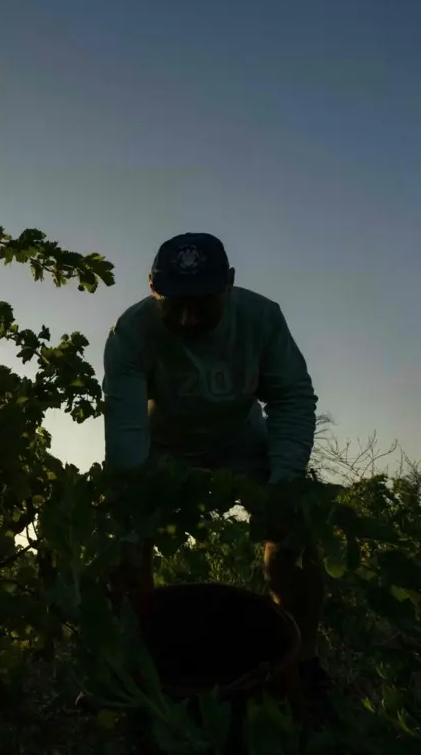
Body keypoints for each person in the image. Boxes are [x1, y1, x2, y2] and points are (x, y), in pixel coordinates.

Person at [102, 232, 333, 724]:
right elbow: (126, 432)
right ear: (152, 289)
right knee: (122, 544)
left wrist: (285, 479)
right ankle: (142, 672)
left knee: (293, 533)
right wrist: (129, 506)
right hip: (163, 450)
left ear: (228, 285)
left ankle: (304, 663)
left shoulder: (261, 318)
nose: (187, 318)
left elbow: (291, 397)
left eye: (203, 304)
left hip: (241, 442)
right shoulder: (131, 332)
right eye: (174, 304)